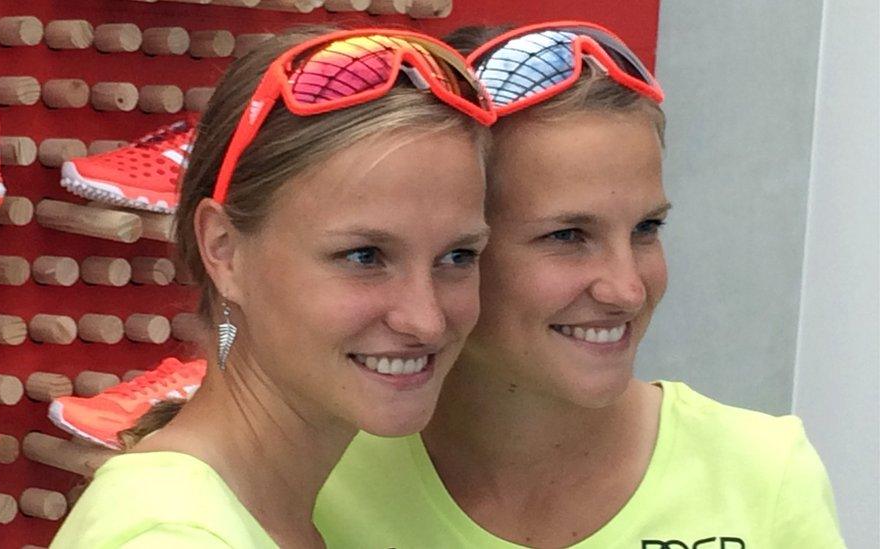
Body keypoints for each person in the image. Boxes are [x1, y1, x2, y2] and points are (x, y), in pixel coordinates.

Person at [315, 22, 845, 548]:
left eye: (646, 229)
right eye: (567, 235)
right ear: (453, 251)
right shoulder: (316, 477)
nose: (628, 290)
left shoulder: (762, 475)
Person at [51, 26, 495, 548]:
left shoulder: (282, 510)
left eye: (457, 256)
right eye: (363, 256)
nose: (427, 320)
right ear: (224, 249)